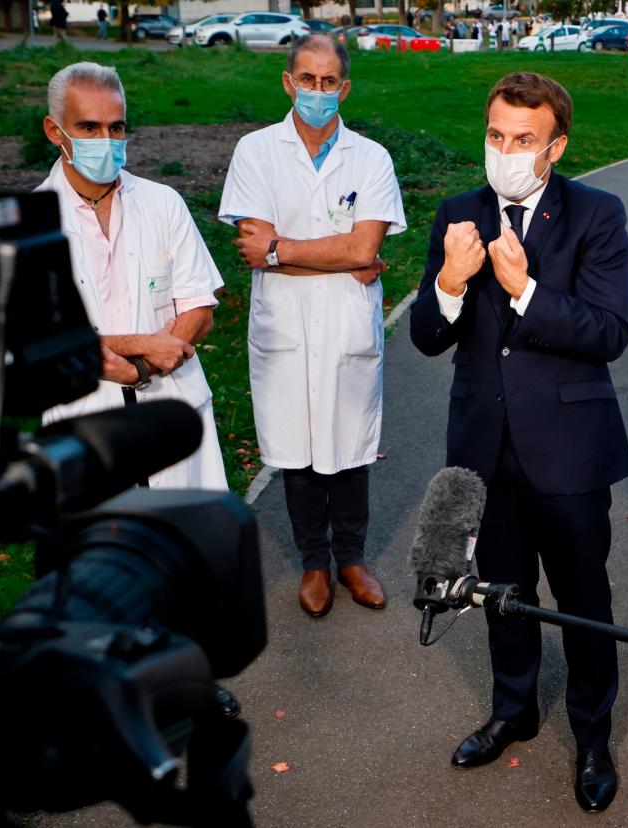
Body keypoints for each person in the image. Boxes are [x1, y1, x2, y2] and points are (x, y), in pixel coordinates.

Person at [410, 72, 628, 813]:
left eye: (523, 140)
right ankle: (514, 710)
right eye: (496, 135)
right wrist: (448, 278)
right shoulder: (459, 211)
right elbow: (426, 336)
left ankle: (593, 735)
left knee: (582, 598)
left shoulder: (596, 214)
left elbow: (608, 334)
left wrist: (525, 290)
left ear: (555, 146)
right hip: (483, 447)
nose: (505, 151)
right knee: (500, 593)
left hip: (568, 447)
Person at [219, 35, 406, 618]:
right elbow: (253, 245)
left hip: (347, 328)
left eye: (329, 82)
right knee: (297, 453)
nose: (318, 92)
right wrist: (342, 255)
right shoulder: (255, 151)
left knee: (350, 449)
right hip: (286, 327)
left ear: (344, 88)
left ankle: (351, 558)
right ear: (288, 82)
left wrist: (284, 249)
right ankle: (314, 564)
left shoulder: (371, 157)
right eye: (308, 79)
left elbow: (366, 244)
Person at [37, 62, 228, 491]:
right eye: (88, 128)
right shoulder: (34, 224)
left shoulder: (164, 203)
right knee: (107, 550)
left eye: (116, 127)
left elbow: (200, 308)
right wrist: (143, 345)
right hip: (84, 422)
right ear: (55, 131)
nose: (106, 141)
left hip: (171, 407)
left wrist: (139, 364)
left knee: (182, 548)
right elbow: (39, 344)